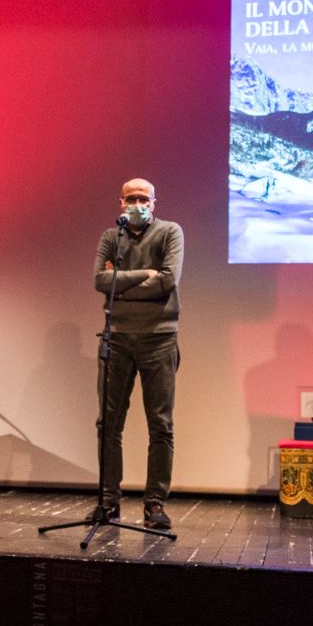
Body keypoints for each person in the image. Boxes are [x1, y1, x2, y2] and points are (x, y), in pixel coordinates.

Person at [90, 177, 184, 531]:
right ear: (120, 202)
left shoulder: (170, 232)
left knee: (160, 424)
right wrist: (146, 274)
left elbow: (167, 280)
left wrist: (122, 283)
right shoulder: (110, 237)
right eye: (131, 198)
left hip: (159, 338)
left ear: (154, 203)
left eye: (143, 198)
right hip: (116, 339)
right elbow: (100, 281)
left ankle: (155, 504)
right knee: (108, 424)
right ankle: (108, 502)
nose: (137, 204)